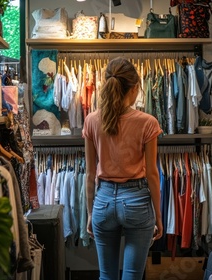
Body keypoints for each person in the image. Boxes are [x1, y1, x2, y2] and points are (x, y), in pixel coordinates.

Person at [82, 57, 163, 280]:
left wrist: (90, 214)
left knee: (106, 276)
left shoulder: (92, 120)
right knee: (132, 276)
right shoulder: (147, 122)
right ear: (135, 88)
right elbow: (153, 175)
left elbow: (89, 175)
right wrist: (158, 215)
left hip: (103, 201)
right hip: (137, 201)